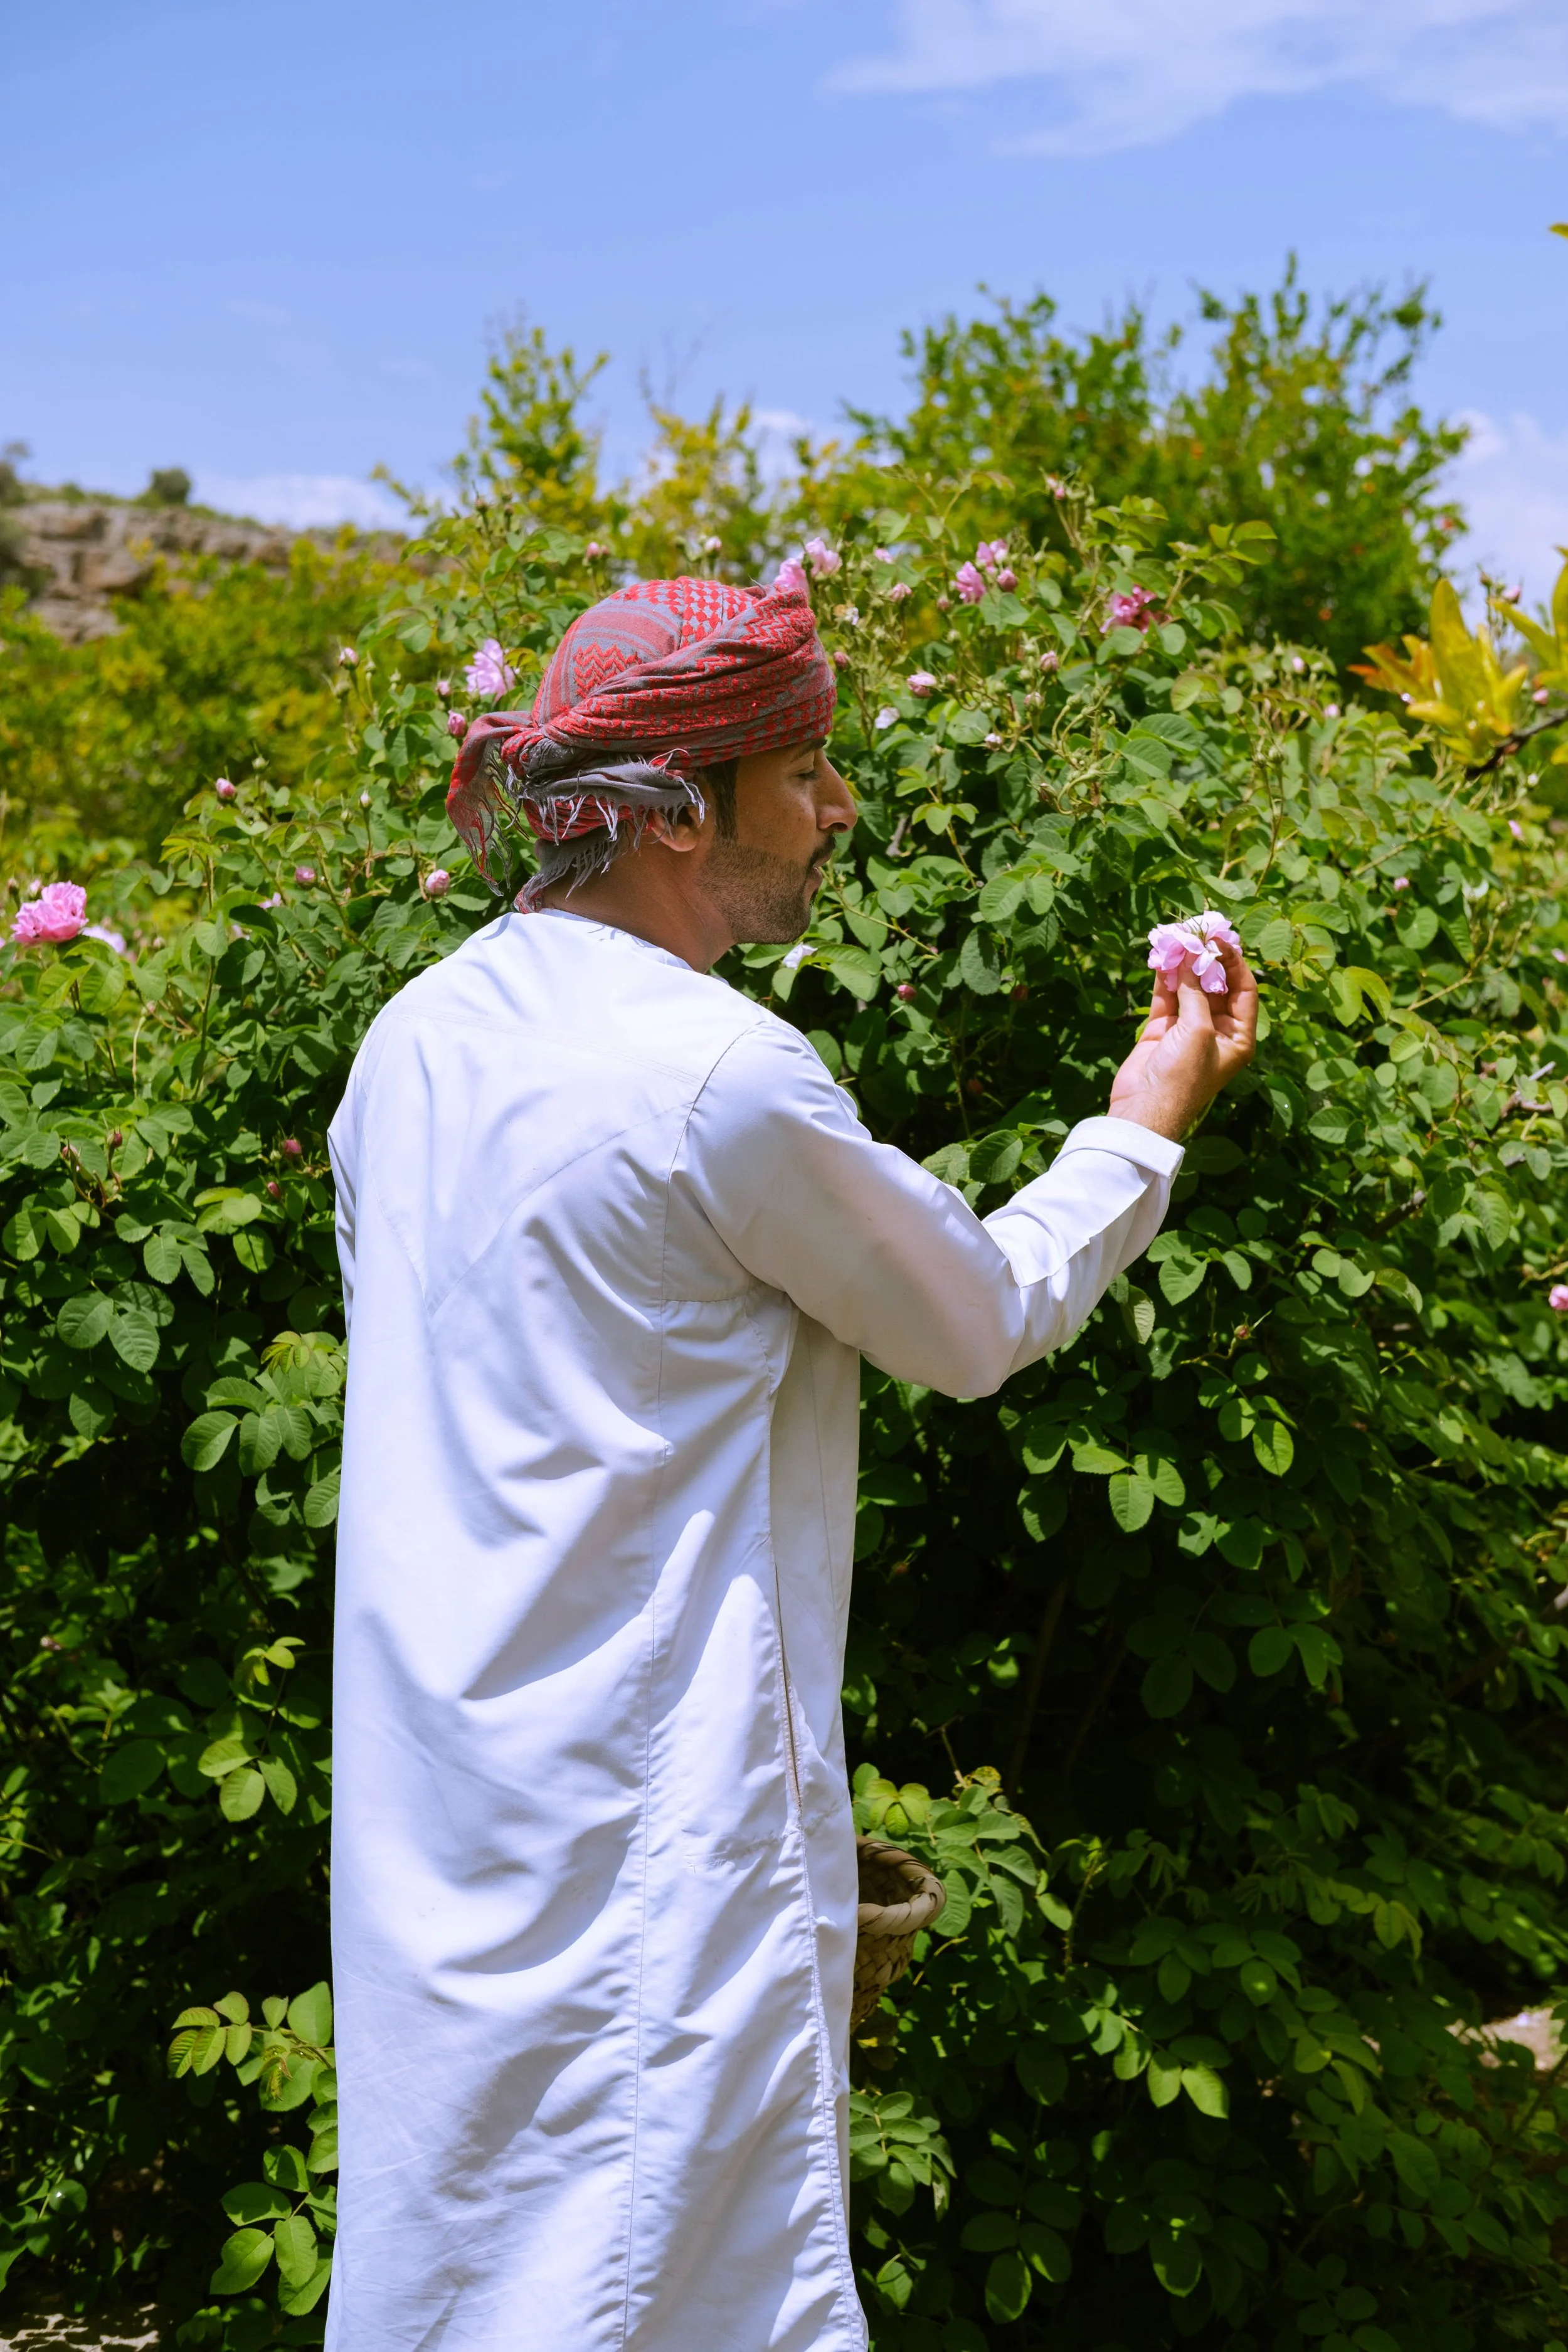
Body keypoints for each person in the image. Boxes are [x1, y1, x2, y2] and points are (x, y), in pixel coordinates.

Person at [325, 575, 1257, 2352]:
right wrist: (1139, 1131)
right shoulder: (712, 1079)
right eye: (805, 769)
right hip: (639, 1850)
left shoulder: (417, 1038)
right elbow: (973, 1320)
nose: (838, 809)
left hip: (442, 1830)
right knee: (650, 2287)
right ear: (681, 810)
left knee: (456, 2270)